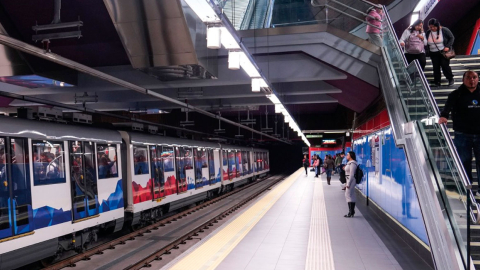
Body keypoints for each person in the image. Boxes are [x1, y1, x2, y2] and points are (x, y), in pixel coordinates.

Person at [439, 70, 480, 194]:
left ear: (478, 79)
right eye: (468, 77)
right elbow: (447, 107)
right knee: (464, 162)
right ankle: (468, 188)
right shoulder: (456, 94)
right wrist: (444, 116)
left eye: (474, 77)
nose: (472, 80)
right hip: (462, 134)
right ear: (463, 80)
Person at [426, 18, 455, 86]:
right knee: (435, 67)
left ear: (438, 25)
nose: (432, 28)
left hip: (443, 52)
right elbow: (426, 41)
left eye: (434, 26)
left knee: (444, 65)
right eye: (431, 27)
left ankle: (450, 78)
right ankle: (437, 81)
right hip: (433, 52)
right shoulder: (428, 32)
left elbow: (452, 38)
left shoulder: (444, 30)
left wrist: (447, 46)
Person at [344, 151, 358, 218]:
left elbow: (352, 174)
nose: (346, 156)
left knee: (348, 195)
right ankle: (352, 211)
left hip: (351, 180)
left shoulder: (352, 163)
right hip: (348, 179)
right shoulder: (350, 163)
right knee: (351, 195)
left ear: (351, 156)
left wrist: (348, 183)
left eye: (348, 155)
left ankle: (350, 212)